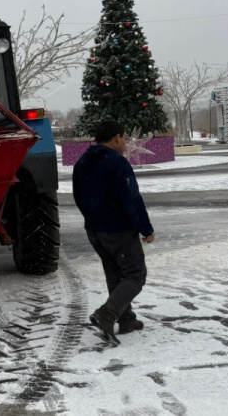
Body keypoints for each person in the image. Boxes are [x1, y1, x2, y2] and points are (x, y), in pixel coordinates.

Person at [73, 120, 154, 344]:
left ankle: (126, 319)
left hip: (94, 230)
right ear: (117, 137)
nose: (126, 142)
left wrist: (93, 218)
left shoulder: (83, 161)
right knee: (135, 276)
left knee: (116, 275)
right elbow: (131, 199)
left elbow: (78, 196)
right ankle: (106, 314)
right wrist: (145, 229)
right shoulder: (116, 162)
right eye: (125, 138)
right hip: (118, 229)